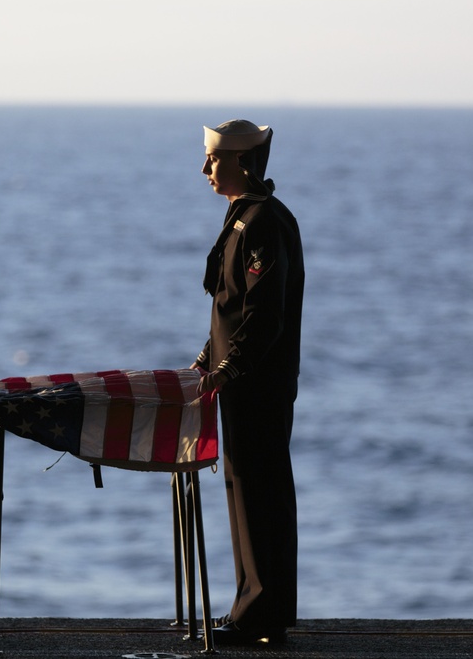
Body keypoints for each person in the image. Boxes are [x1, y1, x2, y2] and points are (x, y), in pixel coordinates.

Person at [193, 119, 304, 646]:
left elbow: (264, 314)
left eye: (214, 160)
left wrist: (229, 366)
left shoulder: (262, 222)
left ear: (240, 162)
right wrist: (209, 357)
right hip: (239, 382)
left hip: (256, 385)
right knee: (244, 493)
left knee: (260, 495)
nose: (206, 168)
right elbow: (232, 305)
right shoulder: (244, 219)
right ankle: (253, 610)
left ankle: (263, 614)